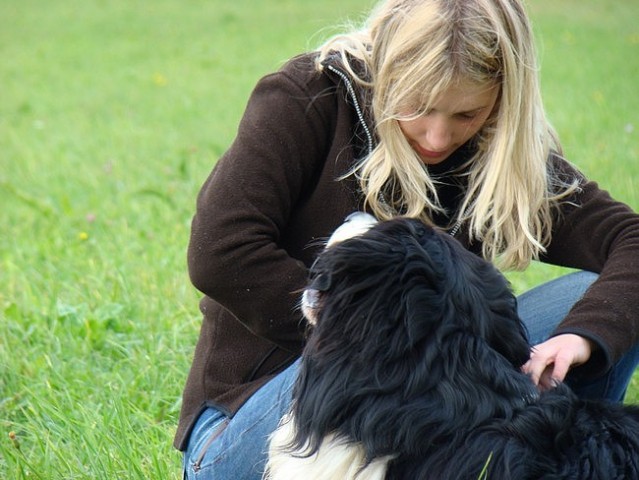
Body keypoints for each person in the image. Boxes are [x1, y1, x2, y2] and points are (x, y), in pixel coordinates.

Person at [175, 0, 639, 478]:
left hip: (420, 413)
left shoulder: (498, 148)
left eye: (467, 113)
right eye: (417, 105)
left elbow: (632, 240)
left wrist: (585, 334)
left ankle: (558, 461)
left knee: (599, 298)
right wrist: (382, 336)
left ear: (502, 100)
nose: (438, 136)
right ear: (386, 72)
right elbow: (220, 252)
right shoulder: (307, 97)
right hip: (249, 424)